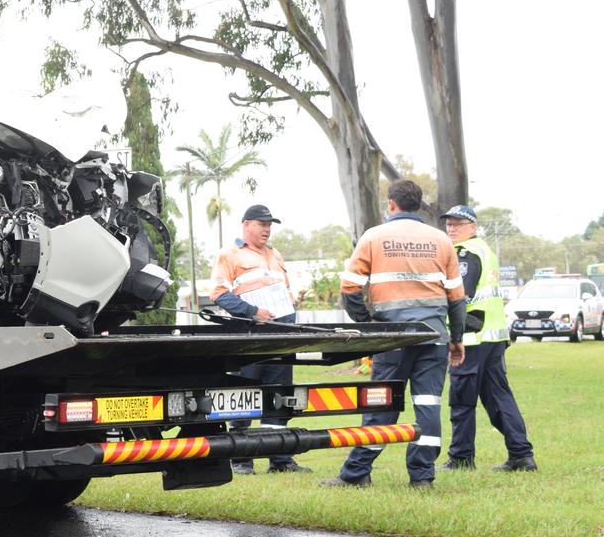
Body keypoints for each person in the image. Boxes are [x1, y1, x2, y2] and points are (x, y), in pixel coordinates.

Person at [320, 180, 467, 489]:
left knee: (381, 405)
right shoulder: (441, 240)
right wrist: (456, 339)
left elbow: (349, 290)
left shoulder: (374, 237)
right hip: (434, 338)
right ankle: (422, 477)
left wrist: (371, 328)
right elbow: (457, 299)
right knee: (427, 404)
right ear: (418, 205)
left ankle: (357, 474)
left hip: (392, 339)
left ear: (391, 204)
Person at [210, 204, 310, 475]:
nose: (267, 229)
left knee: (279, 397)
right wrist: (253, 312)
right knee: (244, 397)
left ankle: (281, 460)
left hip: (279, 337)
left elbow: (285, 293)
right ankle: (241, 460)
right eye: (262, 224)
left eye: (269, 225)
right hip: (249, 339)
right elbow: (219, 294)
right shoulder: (230, 254)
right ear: (246, 225)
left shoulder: (275, 254)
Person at [438, 204, 536, 472]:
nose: (452, 228)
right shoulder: (485, 249)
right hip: (492, 337)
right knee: (499, 398)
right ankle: (521, 455)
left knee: (461, 401)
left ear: (473, 227)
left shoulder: (466, 253)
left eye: (458, 223)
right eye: (449, 223)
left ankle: (461, 459)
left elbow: (461, 294)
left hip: (471, 339)